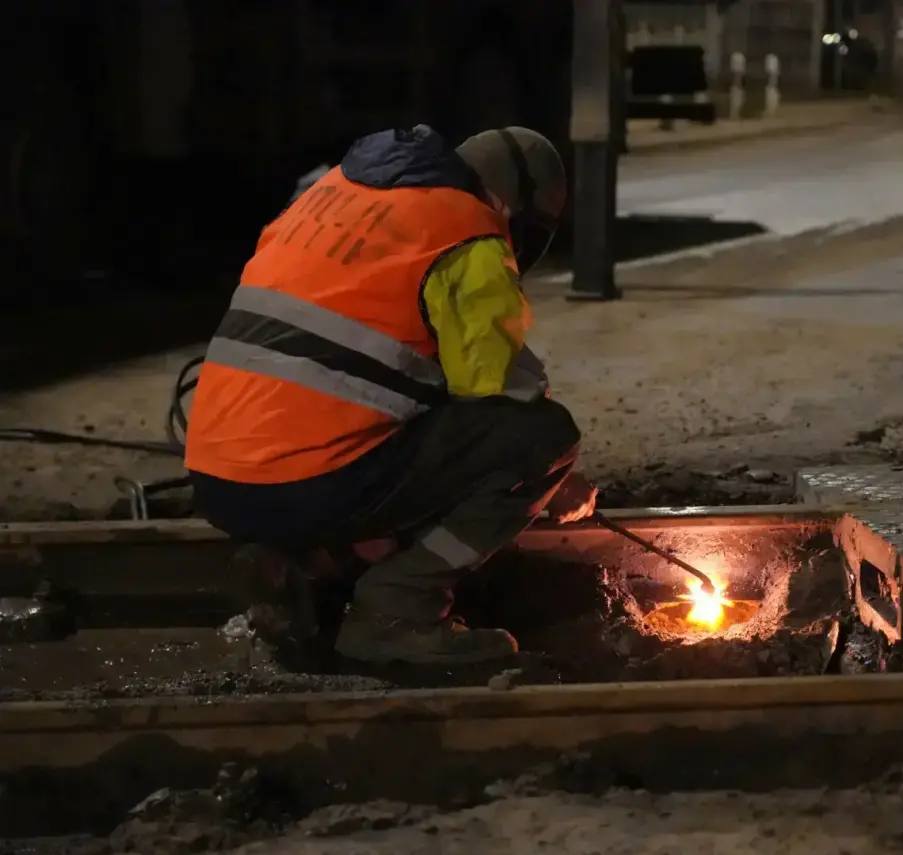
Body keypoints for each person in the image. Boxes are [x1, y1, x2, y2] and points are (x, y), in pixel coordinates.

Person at [183, 124, 596, 666]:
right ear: (512, 206)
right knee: (543, 437)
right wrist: (555, 478)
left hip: (219, 479)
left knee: (403, 416)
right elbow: (497, 395)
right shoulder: (465, 230)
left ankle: (292, 567)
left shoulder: (332, 194)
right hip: (305, 483)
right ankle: (398, 610)